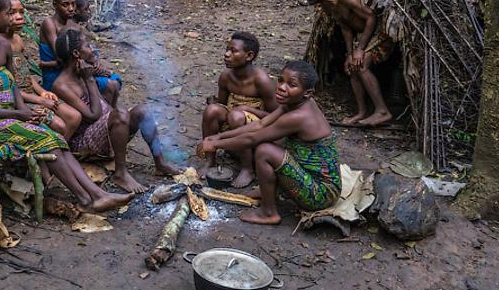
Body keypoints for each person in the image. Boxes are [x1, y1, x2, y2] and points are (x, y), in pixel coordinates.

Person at [0, 0, 132, 212]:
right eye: (9, 13)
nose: (15, 18)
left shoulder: (2, 46)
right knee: (45, 138)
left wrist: (24, 112)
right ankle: (88, 198)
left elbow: (14, 87)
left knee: (54, 135)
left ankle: (96, 195)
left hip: (9, 115)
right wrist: (19, 114)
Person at [196, 61, 341, 225]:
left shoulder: (298, 117)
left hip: (320, 194)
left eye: (291, 85)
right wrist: (218, 137)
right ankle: (270, 192)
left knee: (264, 150)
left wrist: (215, 145)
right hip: (308, 176)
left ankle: (269, 212)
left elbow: (253, 138)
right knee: (273, 143)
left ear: (307, 93)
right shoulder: (294, 103)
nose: (281, 87)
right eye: (281, 80)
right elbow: (259, 124)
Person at [52, 29, 182, 194]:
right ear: (77, 53)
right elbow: (93, 116)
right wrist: (90, 79)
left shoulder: (82, 72)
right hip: (85, 142)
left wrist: (98, 73)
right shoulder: (61, 85)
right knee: (120, 114)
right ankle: (120, 173)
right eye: (88, 45)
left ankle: (160, 163)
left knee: (143, 111)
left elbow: (103, 104)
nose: (93, 49)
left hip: (102, 131)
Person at [305, 0, 393, 127]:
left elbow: (371, 18)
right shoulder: (327, 5)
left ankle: (382, 111)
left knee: (362, 64)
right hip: (361, 35)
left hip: (380, 31)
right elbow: (345, 27)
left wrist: (360, 49)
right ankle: (361, 112)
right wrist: (350, 54)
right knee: (352, 66)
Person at [199, 32, 278, 188]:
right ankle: (210, 160)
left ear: (249, 56)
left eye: (233, 51)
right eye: (227, 49)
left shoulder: (261, 80)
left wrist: (247, 109)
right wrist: (213, 104)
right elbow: (222, 106)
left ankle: (247, 168)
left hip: (257, 127)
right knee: (211, 111)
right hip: (234, 121)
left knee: (236, 116)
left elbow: (275, 116)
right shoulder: (226, 76)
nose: (226, 54)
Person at [4, 0, 82, 139]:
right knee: (60, 125)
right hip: (15, 100)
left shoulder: (18, 40)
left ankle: (61, 153)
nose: (19, 17)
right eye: (12, 13)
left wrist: (42, 92)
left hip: (30, 94)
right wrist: (39, 100)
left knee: (74, 116)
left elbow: (25, 73)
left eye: (21, 12)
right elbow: (6, 88)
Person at [73, 0, 123, 106]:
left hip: (88, 68)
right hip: (82, 74)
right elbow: (74, 62)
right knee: (112, 84)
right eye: (86, 9)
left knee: (115, 79)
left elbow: (89, 52)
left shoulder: (80, 28)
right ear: (76, 11)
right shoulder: (71, 32)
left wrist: (96, 62)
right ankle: (108, 113)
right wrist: (96, 71)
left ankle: (112, 111)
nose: (89, 12)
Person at [38, 0, 80, 92]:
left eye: (73, 4)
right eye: (65, 4)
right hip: (55, 76)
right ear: (55, 5)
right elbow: (60, 55)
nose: (71, 8)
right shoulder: (49, 24)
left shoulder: (72, 24)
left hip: (71, 71)